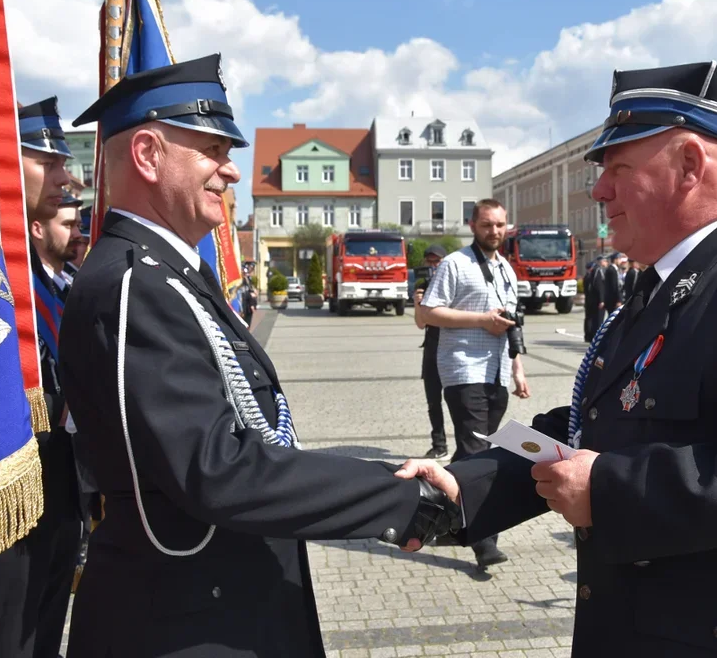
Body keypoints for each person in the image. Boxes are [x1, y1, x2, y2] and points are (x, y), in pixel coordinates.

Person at [399, 61, 717, 657]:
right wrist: (467, 483)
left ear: (689, 166)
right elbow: (589, 425)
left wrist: (610, 488)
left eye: (619, 169)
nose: (599, 190)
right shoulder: (663, 286)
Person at [58, 54, 458, 658]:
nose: (231, 173)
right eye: (212, 151)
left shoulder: (169, 276)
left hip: (219, 600)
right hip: (183, 620)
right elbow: (218, 468)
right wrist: (398, 495)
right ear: (146, 154)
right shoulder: (133, 285)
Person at [0, 97, 84, 658]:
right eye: (48, 159)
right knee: (9, 633)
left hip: (59, 477)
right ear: (1, 162)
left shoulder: (54, 279)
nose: (68, 174)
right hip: (3, 486)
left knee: (46, 626)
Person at [417, 199, 531, 571]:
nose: (494, 232)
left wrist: (518, 369)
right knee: (478, 448)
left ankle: (428, 512)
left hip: (497, 370)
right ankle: (484, 539)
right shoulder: (455, 263)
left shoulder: (507, 270)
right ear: (472, 225)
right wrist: (481, 320)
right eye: (486, 225)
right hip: (463, 368)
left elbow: (512, 323)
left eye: (500, 225)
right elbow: (429, 312)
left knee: (470, 453)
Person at [413, 244, 450, 459]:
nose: (433, 265)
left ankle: (468, 444)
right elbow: (420, 323)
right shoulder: (424, 286)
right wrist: (418, 304)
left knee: (458, 400)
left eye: (437, 261)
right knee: (433, 400)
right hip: (431, 348)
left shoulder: (451, 284)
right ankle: (439, 444)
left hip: (452, 348)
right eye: (430, 261)